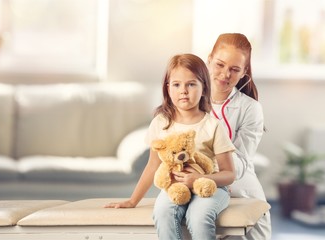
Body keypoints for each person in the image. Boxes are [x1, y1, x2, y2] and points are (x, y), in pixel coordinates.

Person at [104, 53, 236, 240]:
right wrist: (133, 200)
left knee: (199, 217)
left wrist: (200, 178)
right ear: (167, 88)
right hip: (175, 188)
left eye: (191, 84)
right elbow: (152, 166)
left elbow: (229, 174)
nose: (183, 90)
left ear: (204, 87)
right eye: (176, 84)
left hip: (209, 187)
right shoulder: (161, 123)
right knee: (163, 213)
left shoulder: (213, 125)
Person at [207, 33, 272, 239]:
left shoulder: (251, 108)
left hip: (242, 193)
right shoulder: (189, 101)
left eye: (235, 69)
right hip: (202, 193)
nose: (225, 74)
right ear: (209, 59)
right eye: (219, 64)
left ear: (244, 72)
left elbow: (240, 164)